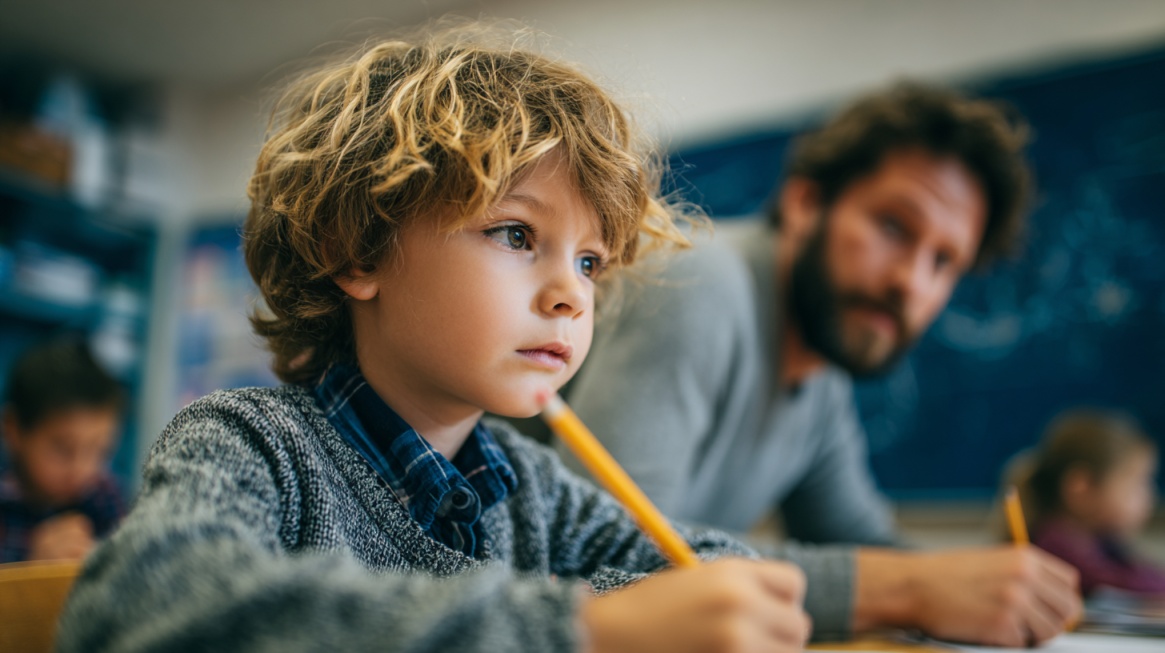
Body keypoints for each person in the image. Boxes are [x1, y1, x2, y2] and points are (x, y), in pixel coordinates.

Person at [56, 24, 810, 653]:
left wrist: (663, 607)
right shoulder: (252, 443)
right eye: (516, 233)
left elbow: (714, 564)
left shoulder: (532, 487)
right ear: (358, 249)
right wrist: (581, 624)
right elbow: (134, 607)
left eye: (588, 261)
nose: (570, 294)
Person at [555, 82, 1082, 646]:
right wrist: (909, 588)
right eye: (893, 227)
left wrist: (996, 588)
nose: (912, 282)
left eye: (944, 261)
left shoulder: (820, 365)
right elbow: (600, 559)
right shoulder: (700, 281)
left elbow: (857, 539)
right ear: (805, 203)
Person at [1009, 409, 1165, 596]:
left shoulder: (1104, 543)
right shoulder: (1054, 544)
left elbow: (1141, 572)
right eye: (1137, 482)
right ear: (1082, 489)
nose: (1150, 496)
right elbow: (1114, 584)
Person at [0, 337, 126, 563]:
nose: (81, 470)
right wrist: (30, 572)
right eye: (63, 449)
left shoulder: (103, 496)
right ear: (13, 430)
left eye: (100, 451)